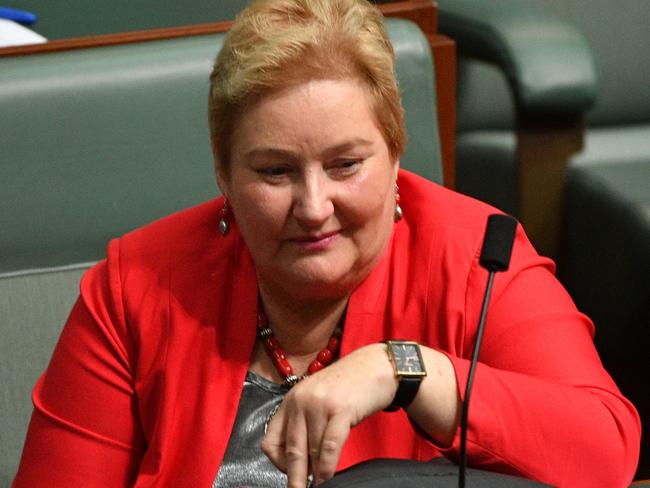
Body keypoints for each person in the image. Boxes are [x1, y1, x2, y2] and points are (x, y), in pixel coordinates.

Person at [13, 0, 640, 486]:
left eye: (345, 165)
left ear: (396, 154)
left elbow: (606, 452)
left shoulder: (478, 257)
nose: (314, 209)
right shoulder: (136, 286)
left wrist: (405, 369)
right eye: (275, 172)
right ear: (223, 172)